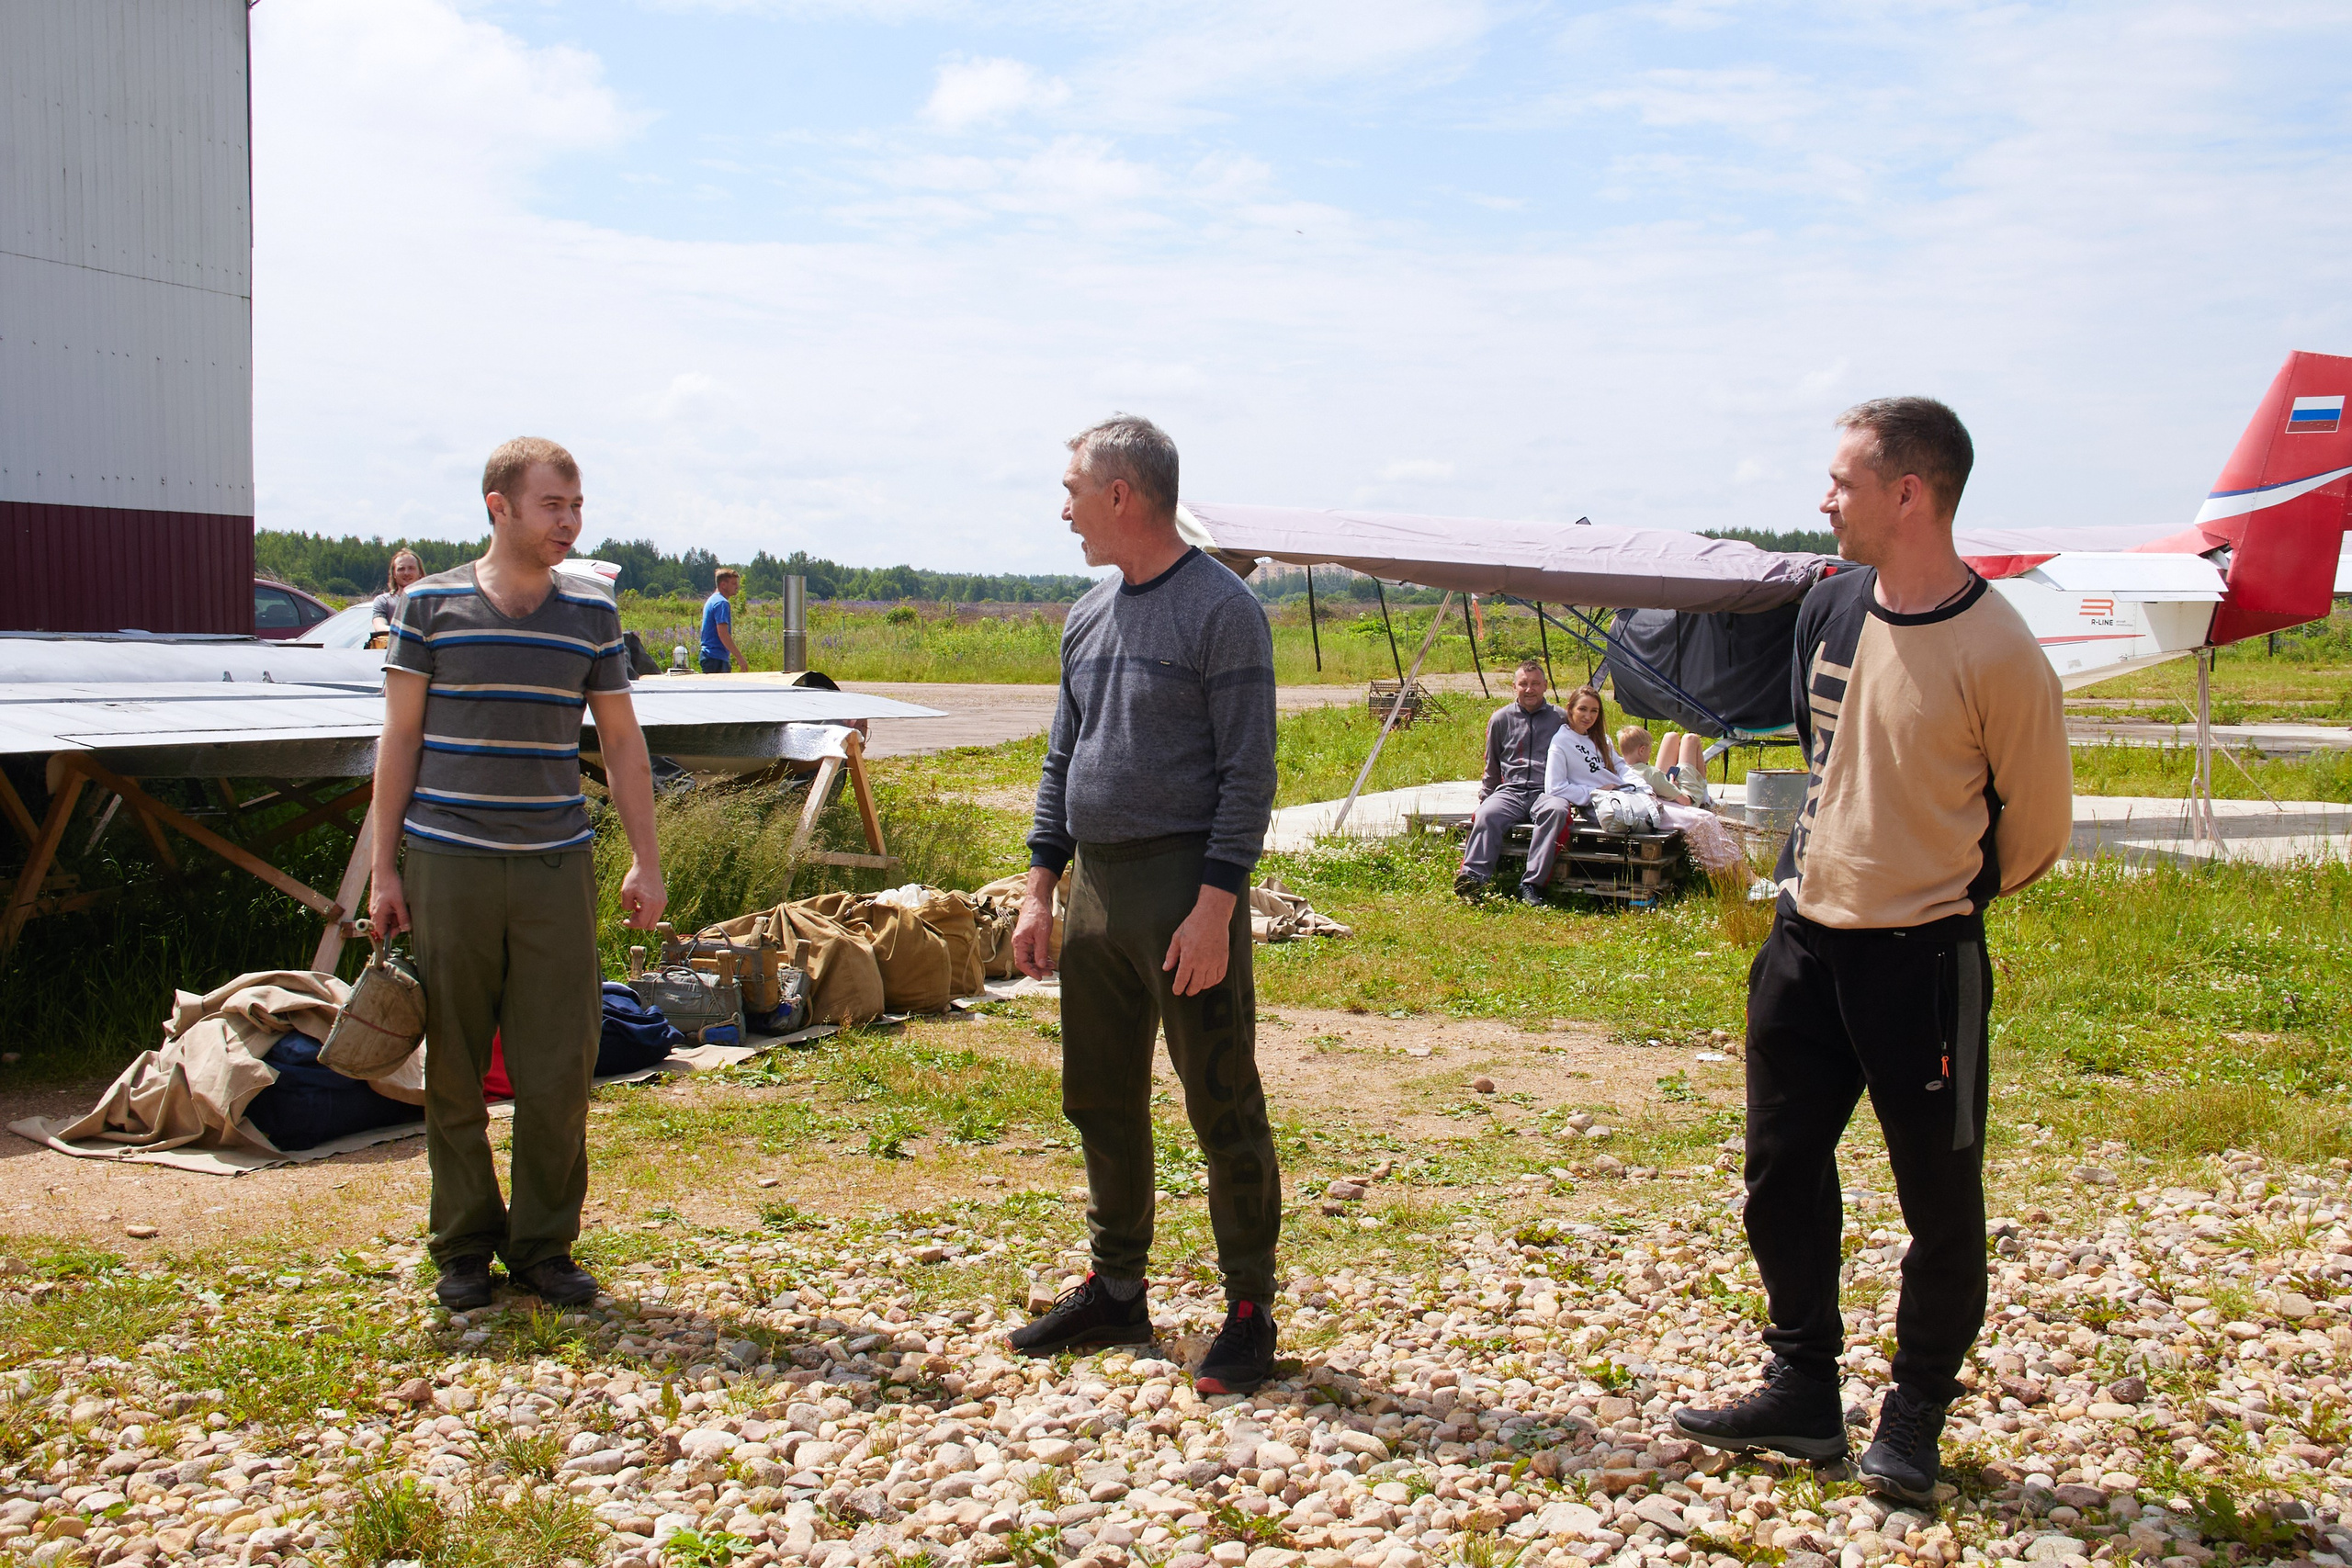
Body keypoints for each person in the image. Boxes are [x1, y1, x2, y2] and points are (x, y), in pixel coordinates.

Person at [1672, 398, 2070, 1504]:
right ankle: (1801, 1390)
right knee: (1777, 1173)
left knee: (1936, 1202)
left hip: (1920, 963)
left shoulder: (1999, 651)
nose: (1823, 500)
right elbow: (1825, 760)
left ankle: (1913, 1422)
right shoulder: (1831, 608)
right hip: (1803, 942)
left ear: (1909, 493)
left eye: (1841, 482)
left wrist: (1929, 895)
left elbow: (2032, 833)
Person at [1010, 414, 1283, 1396]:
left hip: (1181, 889)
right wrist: (1041, 887)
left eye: (1075, 489)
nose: (1066, 508)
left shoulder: (1221, 611)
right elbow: (1060, 757)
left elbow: (1249, 774)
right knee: (1100, 1096)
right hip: (1098, 889)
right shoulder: (1086, 615)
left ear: (1122, 495)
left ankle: (1248, 1307)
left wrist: (1214, 908)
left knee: (1220, 1097)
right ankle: (1117, 1288)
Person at [368, 437, 669, 1313]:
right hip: (449, 863)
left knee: (559, 1062)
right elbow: (399, 740)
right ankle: (463, 1245)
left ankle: (542, 1245)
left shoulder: (592, 616)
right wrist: (384, 870)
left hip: (554, 866)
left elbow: (620, 742)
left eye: (577, 507)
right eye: (553, 506)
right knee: (455, 1059)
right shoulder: (427, 607)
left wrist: (646, 860)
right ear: (498, 506)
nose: (570, 523)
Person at [1456, 660, 1570, 906]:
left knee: (1557, 810)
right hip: (1512, 790)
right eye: (1524, 684)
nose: (1530, 689)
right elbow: (1492, 764)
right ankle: (1472, 879)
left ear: (1545, 686)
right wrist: (1485, 799)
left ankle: (1532, 884)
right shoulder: (1500, 719)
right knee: (1487, 814)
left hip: (1546, 790)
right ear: (1514, 686)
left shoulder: (1560, 719)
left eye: (1535, 684)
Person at [368, 549, 424, 649]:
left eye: (411, 568)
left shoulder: (430, 601)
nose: (406, 573)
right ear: (393, 573)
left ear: (420, 573)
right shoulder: (383, 602)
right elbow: (380, 627)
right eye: (401, 569)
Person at [698, 570, 742, 672]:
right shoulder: (721, 603)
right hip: (716, 659)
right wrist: (739, 657)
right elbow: (723, 634)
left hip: (709, 656)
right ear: (723, 585)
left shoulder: (712, 600)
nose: (737, 586)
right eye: (733, 583)